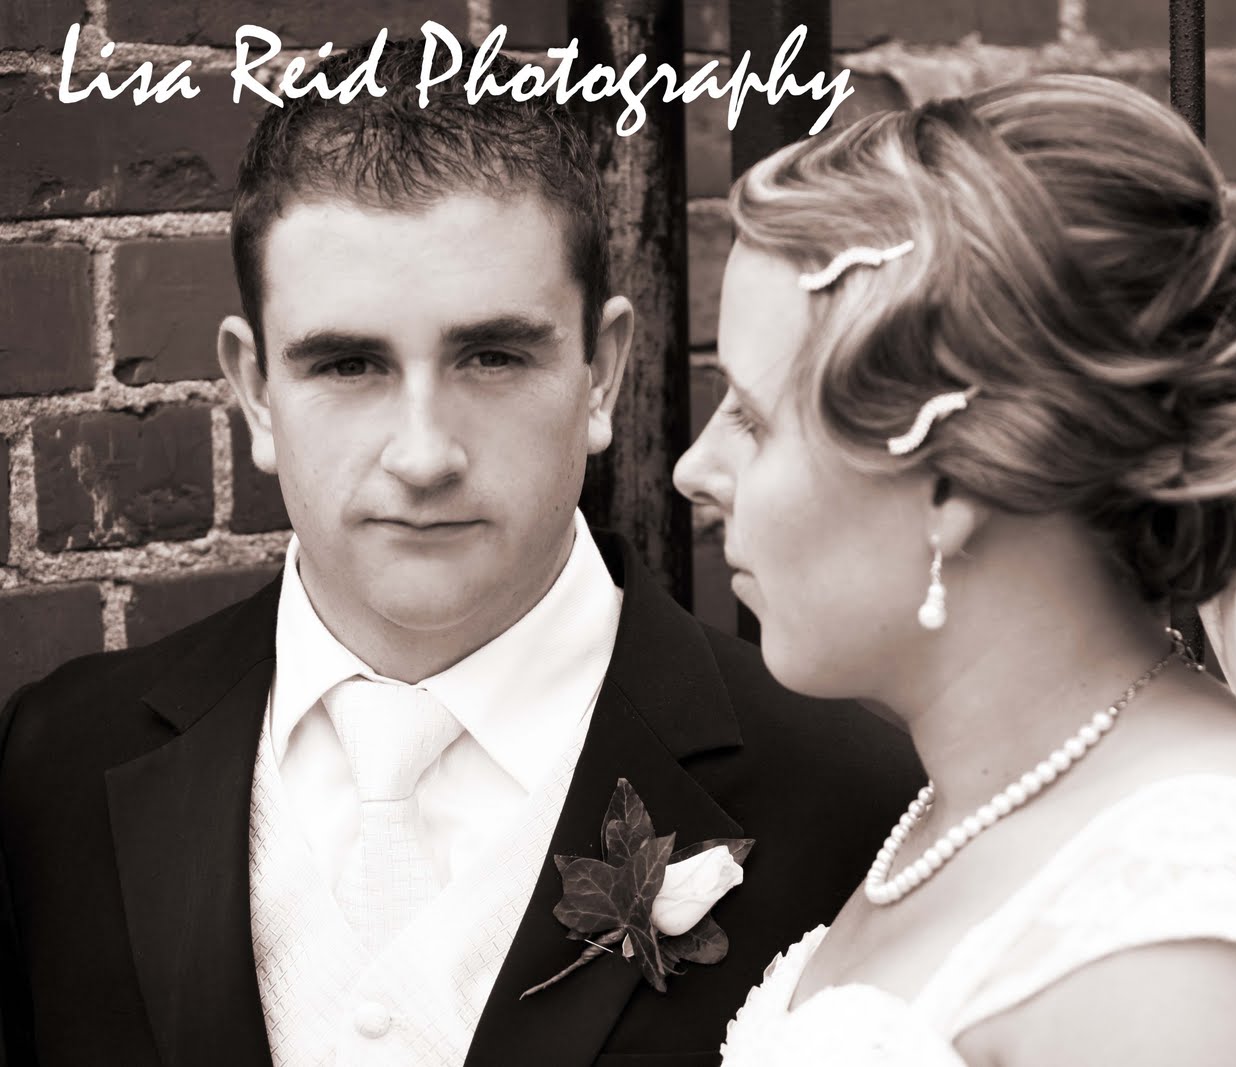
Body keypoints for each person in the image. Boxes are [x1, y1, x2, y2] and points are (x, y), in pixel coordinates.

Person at [0, 38, 921, 1067]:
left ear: (602, 373)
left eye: (492, 356)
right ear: (255, 391)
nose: (424, 454)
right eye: (348, 364)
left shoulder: (853, 796)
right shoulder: (55, 764)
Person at [675, 74, 1236, 1066]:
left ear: (951, 482)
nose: (694, 469)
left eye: (754, 418)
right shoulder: (971, 796)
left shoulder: (1198, 967)